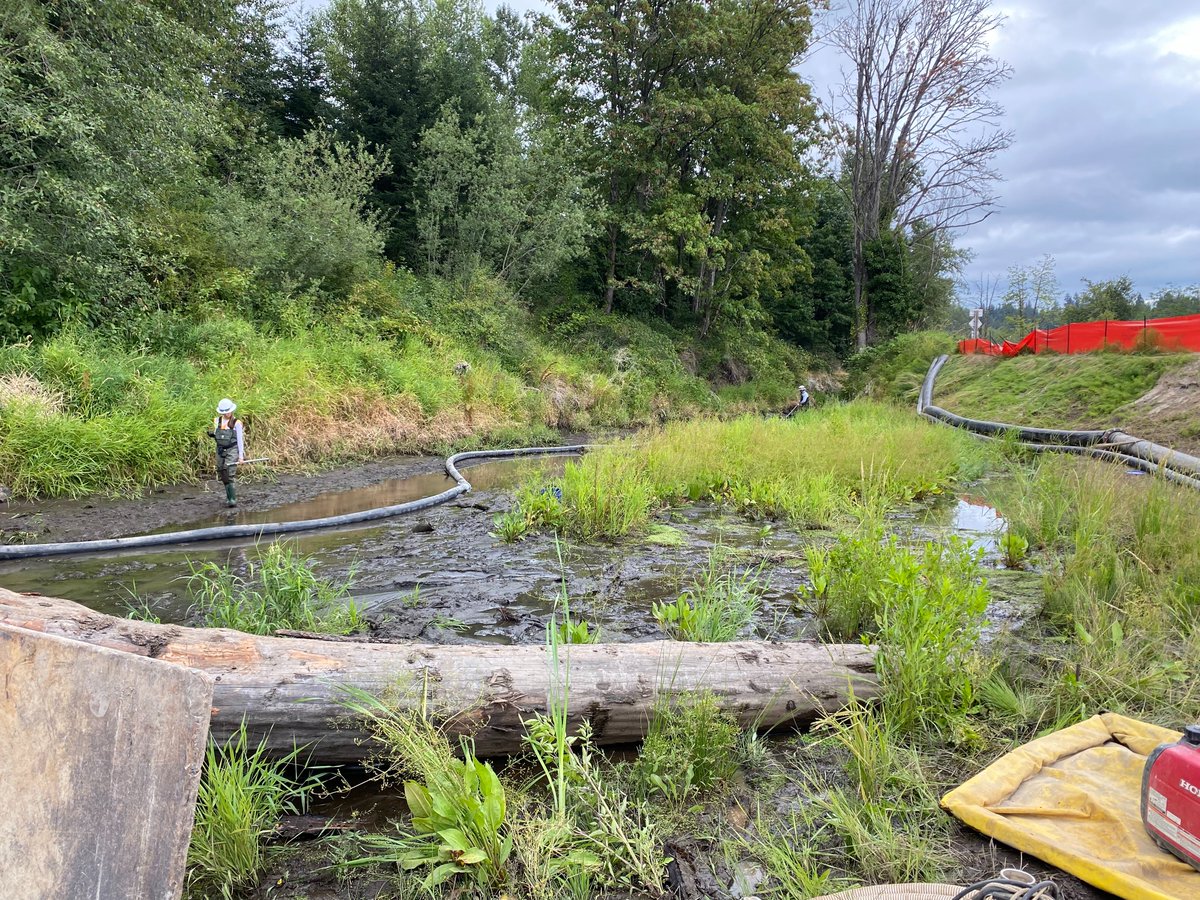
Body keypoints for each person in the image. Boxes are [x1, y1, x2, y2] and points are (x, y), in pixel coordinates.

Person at [208, 398, 245, 507]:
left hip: (232, 450)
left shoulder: (237, 423)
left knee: (229, 472)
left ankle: (232, 499)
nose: (227, 414)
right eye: (224, 412)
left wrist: (241, 456)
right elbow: (217, 435)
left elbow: (240, 440)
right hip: (220, 450)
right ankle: (228, 497)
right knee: (222, 472)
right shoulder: (217, 421)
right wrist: (212, 435)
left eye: (228, 412)